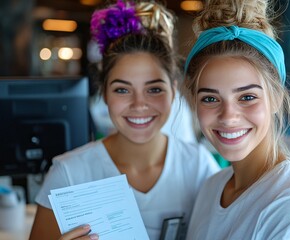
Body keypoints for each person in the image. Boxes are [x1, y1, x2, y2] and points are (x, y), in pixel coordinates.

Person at [29, 1, 220, 240]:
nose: (139, 104)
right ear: (104, 94)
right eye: (122, 90)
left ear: (173, 90)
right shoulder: (69, 174)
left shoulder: (197, 167)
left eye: (154, 89)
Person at [181, 0, 290, 239]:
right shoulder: (210, 188)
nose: (228, 116)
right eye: (210, 99)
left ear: (277, 98)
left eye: (247, 97)